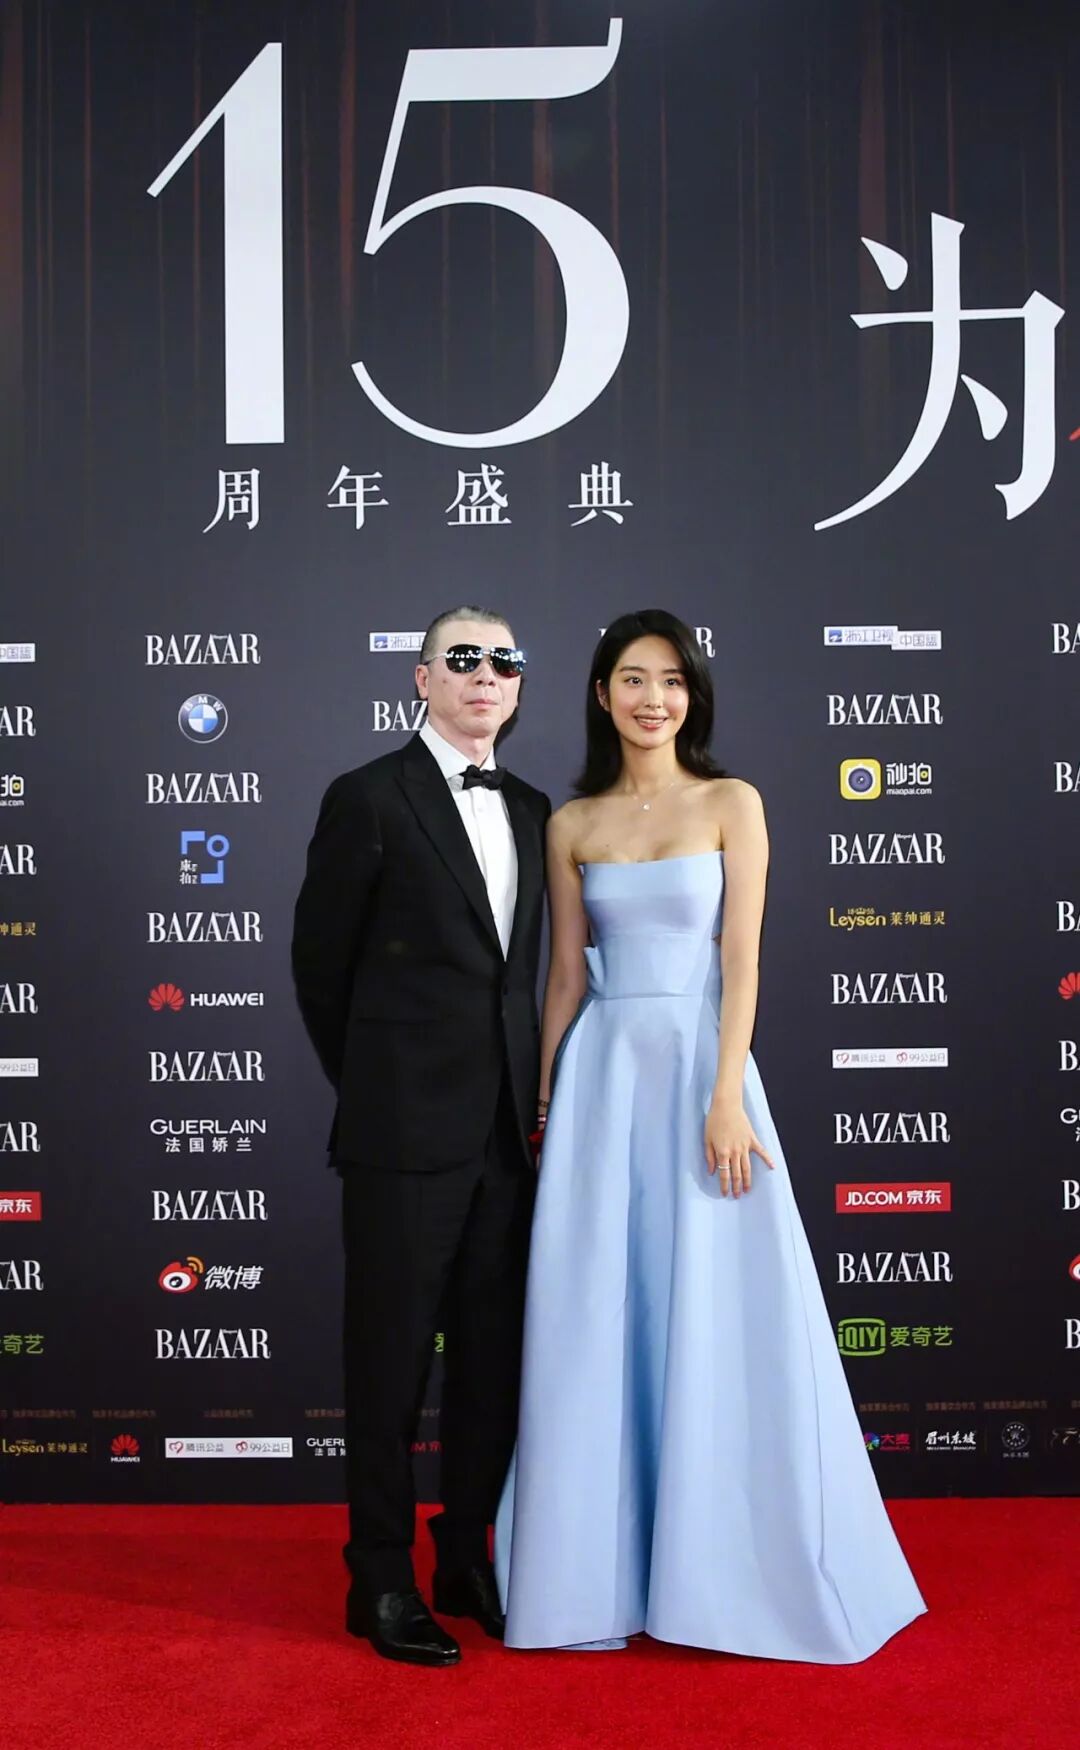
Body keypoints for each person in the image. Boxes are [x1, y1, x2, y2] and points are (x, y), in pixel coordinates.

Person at [494, 608, 926, 1661]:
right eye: (635, 679)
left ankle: (728, 1566)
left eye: (673, 680)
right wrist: (547, 1104)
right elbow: (564, 979)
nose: (655, 699)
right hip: (603, 1086)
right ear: (601, 694)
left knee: (717, 1307)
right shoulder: (572, 823)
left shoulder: (734, 802)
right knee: (598, 1312)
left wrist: (726, 1093)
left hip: (701, 1071)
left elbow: (743, 959)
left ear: (693, 695)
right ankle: (590, 1573)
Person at [292, 607, 549, 1667]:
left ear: (518, 685)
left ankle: (464, 1556)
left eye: (504, 661)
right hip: (401, 1137)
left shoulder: (534, 808)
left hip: (508, 1139)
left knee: (492, 1366)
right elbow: (320, 970)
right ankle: (381, 1576)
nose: (485, 675)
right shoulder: (367, 796)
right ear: (422, 677)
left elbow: (523, 979)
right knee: (389, 1365)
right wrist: (384, 1092)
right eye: (464, 659)